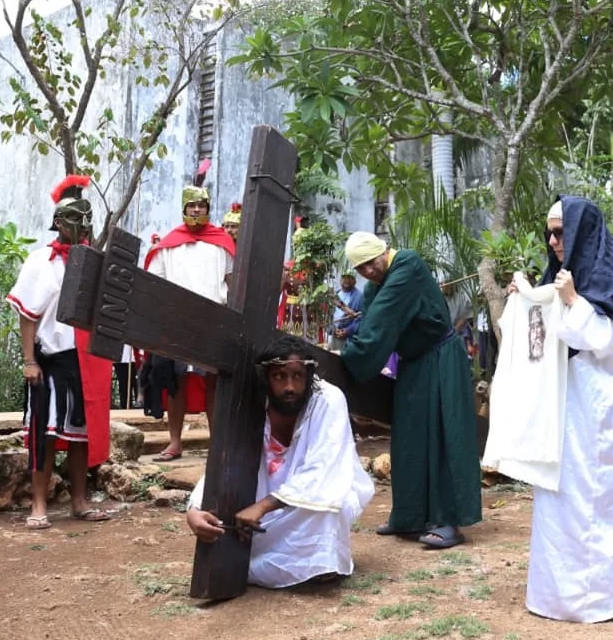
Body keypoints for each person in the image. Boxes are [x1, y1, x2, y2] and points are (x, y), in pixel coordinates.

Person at [519, 196, 613, 622]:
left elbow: (605, 342)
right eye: (549, 233)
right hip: (564, 405)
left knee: (593, 499)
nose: (553, 240)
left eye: (560, 231)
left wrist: (574, 300)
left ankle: (599, 598)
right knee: (558, 498)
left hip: (599, 406)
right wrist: (529, 298)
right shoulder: (558, 276)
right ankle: (557, 595)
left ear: (583, 230)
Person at [185, 335, 375, 586]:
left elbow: (322, 470)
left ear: (309, 376)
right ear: (266, 378)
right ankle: (275, 564)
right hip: (261, 505)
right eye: (279, 377)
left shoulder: (329, 400)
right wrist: (194, 510)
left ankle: (311, 566)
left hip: (313, 496)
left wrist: (262, 507)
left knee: (328, 508)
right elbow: (226, 460)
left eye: (297, 376)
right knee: (225, 520)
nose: (289, 387)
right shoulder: (252, 403)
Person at [340, 232, 481, 549]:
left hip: (440, 357)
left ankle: (448, 521)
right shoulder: (376, 284)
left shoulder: (408, 265)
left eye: (369, 264)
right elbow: (374, 322)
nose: (367, 272)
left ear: (382, 253)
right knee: (409, 438)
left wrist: (353, 356)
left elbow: (383, 318)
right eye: (359, 268)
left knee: (446, 437)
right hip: (414, 363)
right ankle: (409, 515)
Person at [6, 175, 115, 530]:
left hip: (84, 361)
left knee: (81, 436)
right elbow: (27, 315)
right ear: (57, 222)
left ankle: (79, 502)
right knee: (47, 435)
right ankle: (38, 505)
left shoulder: (92, 261)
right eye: (74, 218)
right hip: (50, 361)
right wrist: (28, 360)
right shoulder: (41, 261)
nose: (81, 225)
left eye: (86, 218)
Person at [144, 183, 236, 461]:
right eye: (192, 206)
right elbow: (154, 283)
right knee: (176, 381)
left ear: (208, 209)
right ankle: (175, 442)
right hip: (177, 320)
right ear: (184, 209)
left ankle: (217, 442)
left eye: (202, 205)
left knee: (214, 382)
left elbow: (232, 284)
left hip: (214, 319)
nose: (196, 210)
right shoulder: (169, 244)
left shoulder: (222, 242)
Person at [331, 272, 363, 350]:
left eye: (350, 277)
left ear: (354, 281)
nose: (347, 280)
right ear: (340, 279)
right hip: (333, 334)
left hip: (349, 338)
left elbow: (361, 319)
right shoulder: (335, 294)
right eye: (345, 277)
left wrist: (348, 331)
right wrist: (332, 329)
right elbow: (329, 315)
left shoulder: (360, 297)